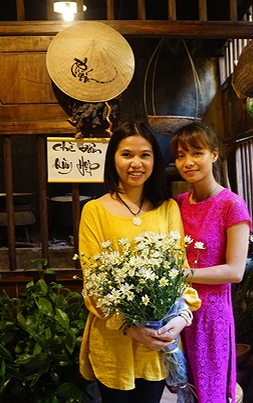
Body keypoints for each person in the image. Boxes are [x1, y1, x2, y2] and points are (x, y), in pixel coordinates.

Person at [78, 120, 201, 403]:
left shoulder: (167, 208)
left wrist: (182, 318)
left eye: (145, 155)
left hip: (156, 341)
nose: (136, 163)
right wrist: (131, 328)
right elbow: (93, 283)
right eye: (127, 154)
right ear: (113, 159)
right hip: (114, 342)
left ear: (154, 161)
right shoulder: (94, 211)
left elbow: (178, 271)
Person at [168, 121, 252, 403]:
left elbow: (235, 271)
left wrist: (182, 274)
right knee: (183, 388)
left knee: (210, 392)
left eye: (197, 153)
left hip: (211, 316)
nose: (188, 162)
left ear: (214, 154)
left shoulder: (232, 205)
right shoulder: (177, 203)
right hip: (176, 310)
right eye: (180, 155)